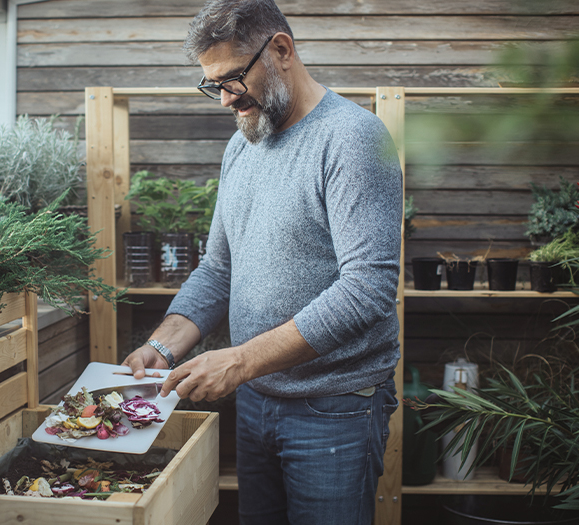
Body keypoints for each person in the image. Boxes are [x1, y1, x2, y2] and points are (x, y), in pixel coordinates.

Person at [121, 0, 403, 523]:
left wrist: (240, 359)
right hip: (255, 399)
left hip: (333, 408)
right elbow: (218, 268)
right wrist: (164, 344)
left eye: (232, 79)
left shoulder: (352, 138)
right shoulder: (242, 146)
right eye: (213, 85)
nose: (225, 99)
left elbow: (368, 288)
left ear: (281, 49)